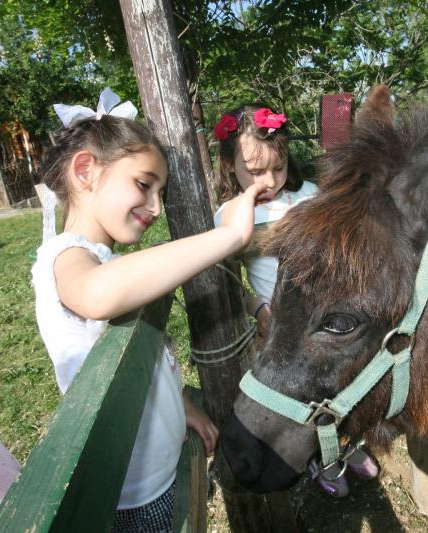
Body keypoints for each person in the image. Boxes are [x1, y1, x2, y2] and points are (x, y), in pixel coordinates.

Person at [31, 88, 269, 532]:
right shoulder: (65, 257)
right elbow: (95, 294)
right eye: (143, 184)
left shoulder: (111, 261)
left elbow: (149, 362)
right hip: (130, 496)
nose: (157, 207)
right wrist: (228, 239)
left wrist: (182, 406)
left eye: (160, 191)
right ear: (86, 170)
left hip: (152, 474)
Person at [211, 104, 379, 498]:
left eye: (279, 167)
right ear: (228, 165)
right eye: (255, 171)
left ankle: (350, 444)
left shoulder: (311, 196)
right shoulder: (229, 217)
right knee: (301, 400)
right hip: (277, 331)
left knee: (338, 388)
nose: (269, 179)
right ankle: (324, 459)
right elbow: (226, 285)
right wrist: (257, 309)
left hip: (324, 322)